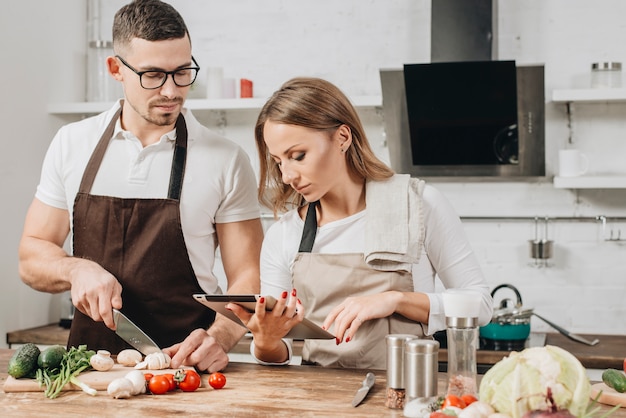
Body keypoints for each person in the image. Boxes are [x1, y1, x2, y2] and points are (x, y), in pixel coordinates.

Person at [18, 0, 263, 373]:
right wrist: (76, 270)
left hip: (185, 370)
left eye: (182, 72)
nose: (171, 90)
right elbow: (31, 256)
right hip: (87, 372)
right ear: (116, 69)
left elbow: (248, 276)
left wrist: (221, 337)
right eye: (153, 75)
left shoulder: (226, 158)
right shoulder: (72, 143)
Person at [228, 77, 493, 369]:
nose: (287, 176)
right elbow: (278, 355)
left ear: (342, 137)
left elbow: (479, 305)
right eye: (279, 161)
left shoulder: (419, 205)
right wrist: (266, 342)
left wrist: (396, 300)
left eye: (298, 156)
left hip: (407, 395)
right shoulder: (284, 234)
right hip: (316, 402)